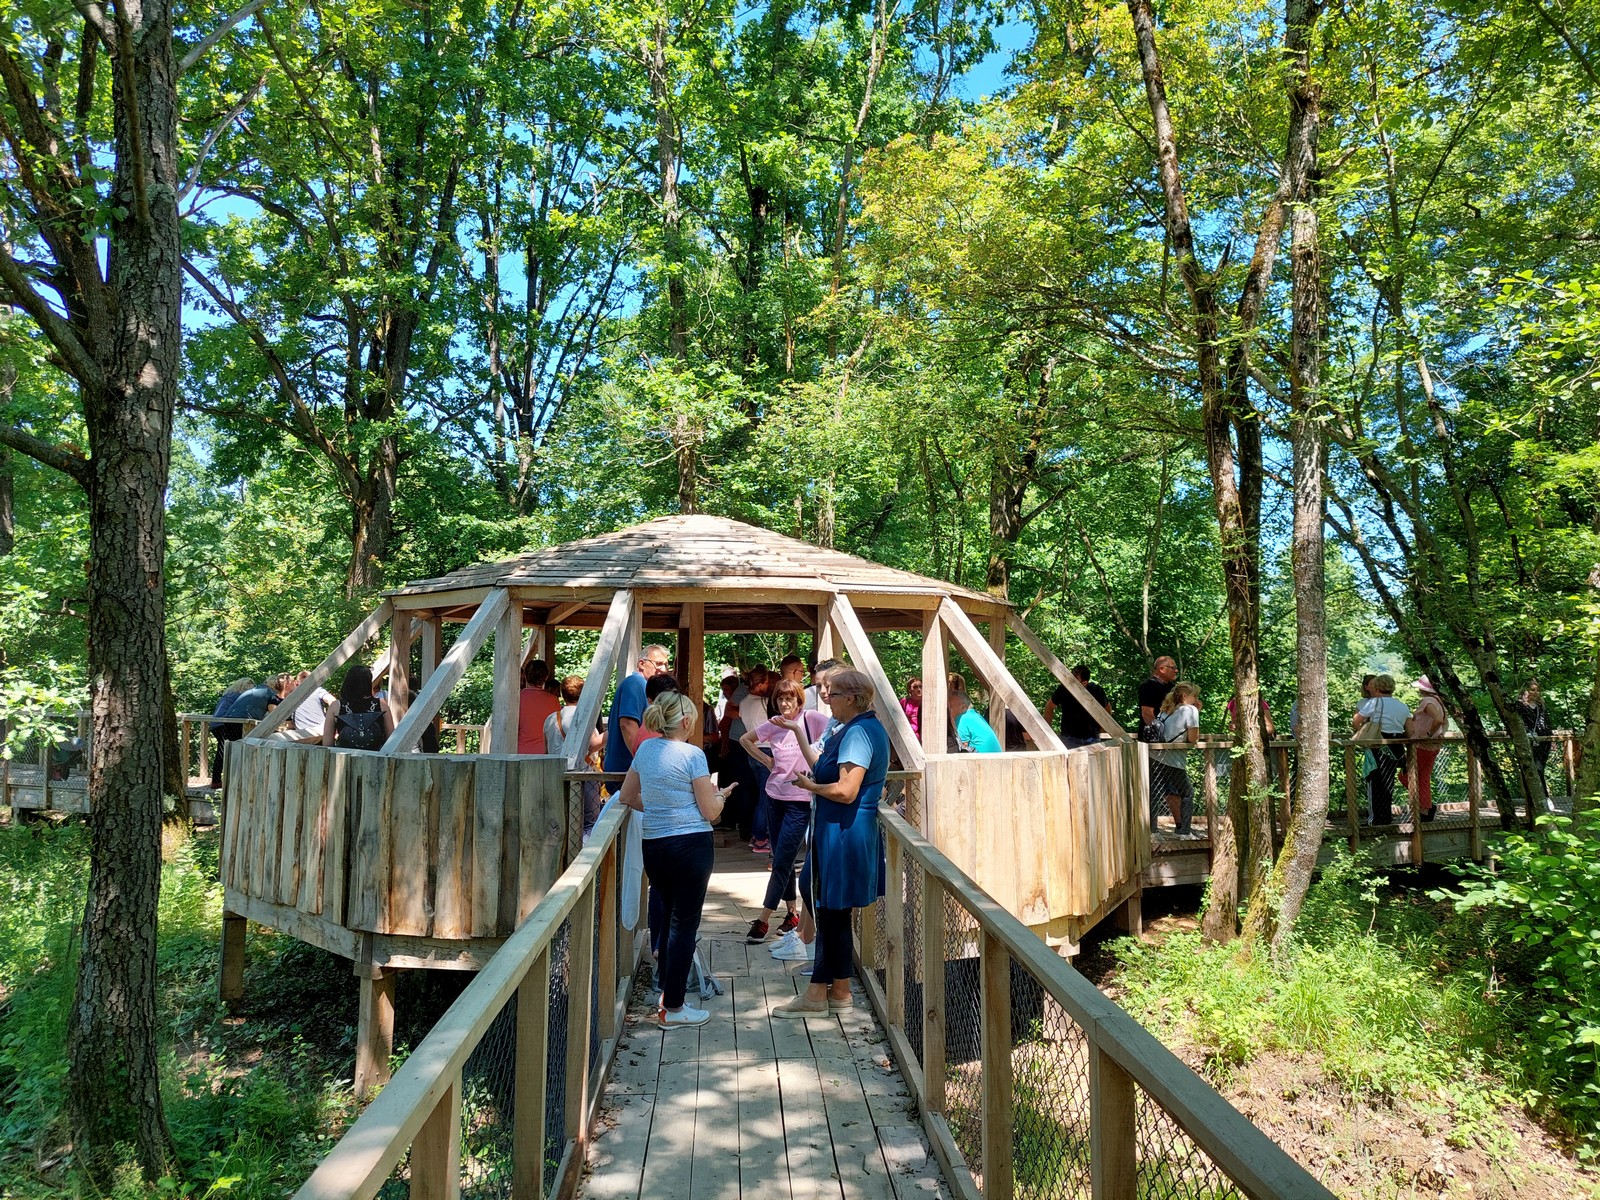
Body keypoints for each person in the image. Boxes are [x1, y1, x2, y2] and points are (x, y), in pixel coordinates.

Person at [773, 668, 889, 1018]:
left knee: (831, 910)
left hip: (844, 833)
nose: (826, 698)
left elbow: (846, 790)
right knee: (834, 913)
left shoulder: (857, 734)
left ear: (851, 698)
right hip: (841, 832)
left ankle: (815, 996)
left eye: (832, 693)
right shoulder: (857, 729)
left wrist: (811, 789)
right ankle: (840, 992)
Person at [616, 691, 733, 1028]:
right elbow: (710, 812)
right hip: (691, 846)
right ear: (685, 721)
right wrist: (721, 796)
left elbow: (627, 796)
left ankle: (665, 991)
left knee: (666, 918)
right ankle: (675, 1008)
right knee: (684, 925)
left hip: (655, 845)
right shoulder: (693, 755)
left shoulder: (646, 750)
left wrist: (659, 809)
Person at [740, 679, 831, 944]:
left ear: (800, 700)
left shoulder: (811, 719)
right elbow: (746, 740)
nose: (784, 704)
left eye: (789, 699)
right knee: (782, 858)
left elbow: (832, 738)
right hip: (773, 796)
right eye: (780, 699)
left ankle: (763, 918)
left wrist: (821, 771)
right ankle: (792, 913)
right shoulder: (774, 723)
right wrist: (767, 760)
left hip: (800, 799)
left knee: (781, 860)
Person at [546, 674, 606, 832]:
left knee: (560, 824)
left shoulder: (551, 719)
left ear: (563, 694)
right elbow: (593, 745)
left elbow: (547, 749)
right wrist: (611, 732)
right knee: (588, 825)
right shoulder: (583, 718)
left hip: (556, 776)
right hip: (583, 776)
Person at [603, 644, 672, 775]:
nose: (663, 669)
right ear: (641, 663)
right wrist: (644, 761)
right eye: (658, 664)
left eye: (666, 665)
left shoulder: (642, 686)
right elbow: (627, 724)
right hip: (628, 770)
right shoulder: (635, 683)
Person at [1353, 674, 1410, 824]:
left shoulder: (1374, 703)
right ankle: (1386, 816)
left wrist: (1363, 731)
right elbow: (1410, 729)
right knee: (1388, 782)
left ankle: (1375, 819)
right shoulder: (1402, 705)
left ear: (1377, 688)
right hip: (1397, 746)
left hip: (1378, 745)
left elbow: (1356, 720)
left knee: (1374, 781)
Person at [1150, 682, 1201, 837]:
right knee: (1187, 792)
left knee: (1155, 792)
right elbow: (1193, 739)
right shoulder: (1191, 710)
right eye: (1195, 696)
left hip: (1154, 757)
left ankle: (1152, 831)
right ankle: (1184, 831)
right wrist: (1197, 712)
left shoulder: (1165, 711)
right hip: (1173, 759)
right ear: (1185, 696)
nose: (1196, 699)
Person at [739, 666, 775, 851]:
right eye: (767, 682)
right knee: (766, 796)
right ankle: (761, 837)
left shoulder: (744, 702)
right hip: (766, 750)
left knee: (759, 794)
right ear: (760, 684)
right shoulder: (764, 702)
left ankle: (756, 833)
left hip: (750, 750)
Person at [1405, 676, 1448, 821]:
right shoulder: (1440, 702)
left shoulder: (1428, 701)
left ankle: (1425, 805)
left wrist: (1429, 733)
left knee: (1406, 776)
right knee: (1423, 778)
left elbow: (1438, 720)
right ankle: (1425, 810)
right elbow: (1444, 722)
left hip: (1422, 745)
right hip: (1433, 746)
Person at [322, 665, 394, 749]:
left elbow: (327, 743)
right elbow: (391, 740)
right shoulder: (382, 704)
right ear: (368, 683)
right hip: (375, 758)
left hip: (344, 758)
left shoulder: (336, 706)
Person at [1045, 664, 1109, 750]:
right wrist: (1047, 731)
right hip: (1069, 737)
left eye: (1076, 680)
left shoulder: (1096, 691)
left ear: (1085, 682)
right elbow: (1049, 707)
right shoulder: (1063, 689)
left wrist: (1103, 730)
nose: (1071, 683)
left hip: (1091, 737)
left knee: (1093, 762)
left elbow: (1107, 709)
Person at [207, 677, 255, 790]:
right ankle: (219, 780)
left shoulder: (228, 695)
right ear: (245, 688)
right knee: (224, 751)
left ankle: (218, 780)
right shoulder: (239, 697)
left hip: (217, 724)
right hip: (225, 724)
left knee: (222, 751)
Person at [1512, 680, 1553, 801]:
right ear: (1525, 691)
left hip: (1543, 740)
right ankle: (1541, 798)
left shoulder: (1540, 705)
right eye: (1532, 690)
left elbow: (1547, 722)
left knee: (1540, 768)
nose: (1535, 692)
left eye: (1537, 690)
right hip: (1528, 740)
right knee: (1533, 769)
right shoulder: (1519, 705)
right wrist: (1524, 703)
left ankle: (1542, 798)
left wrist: (1551, 739)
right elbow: (1521, 721)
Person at [947, 673, 1001, 753]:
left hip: (983, 762)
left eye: (950, 706)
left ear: (963, 707)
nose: (948, 709)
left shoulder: (962, 718)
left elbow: (961, 748)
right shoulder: (974, 715)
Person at [517, 660, 561, 754]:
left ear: (526, 676)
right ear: (546, 677)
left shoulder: (517, 699)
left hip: (520, 753)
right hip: (545, 754)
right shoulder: (554, 700)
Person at [1137, 657, 1178, 740]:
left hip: (1172, 737)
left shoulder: (1174, 687)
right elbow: (1147, 714)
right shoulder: (1149, 686)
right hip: (1153, 740)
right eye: (1173, 668)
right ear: (1162, 669)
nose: (1176, 671)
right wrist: (1159, 735)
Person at [291, 671, 334, 743]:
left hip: (301, 736)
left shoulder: (292, 695)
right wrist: (329, 721)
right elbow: (332, 700)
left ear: (297, 682)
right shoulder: (317, 690)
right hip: (320, 733)